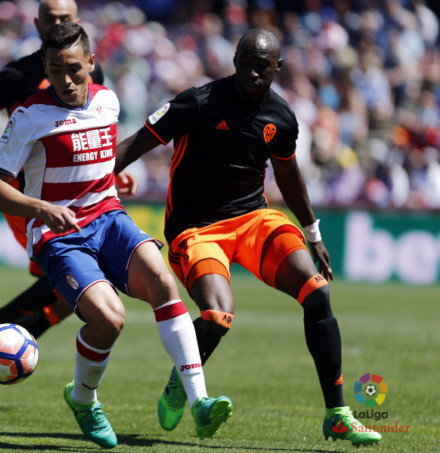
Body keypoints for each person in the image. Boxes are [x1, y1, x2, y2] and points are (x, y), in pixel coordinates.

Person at [114, 28, 382, 447]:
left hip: (254, 219)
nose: (253, 72)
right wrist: (97, 182)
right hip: (197, 229)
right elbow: (135, 142)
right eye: (246, 63)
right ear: (235, 59)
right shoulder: (197, 102)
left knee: (317, 293)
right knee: (219, 316)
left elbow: (289, 177)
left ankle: (337, 414)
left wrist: (313, 233)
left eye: (263, 65)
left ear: (278, 68)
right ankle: (180, 381)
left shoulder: (281, 118)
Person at [0, 21, 232, 449]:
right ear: (45, 66)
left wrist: (112, 179)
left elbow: (96, 161)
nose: (65, 79)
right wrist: (41, 208)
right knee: (109, 319)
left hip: (109, 217)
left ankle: (200, 400)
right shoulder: (29, 117)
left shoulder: (108, 102)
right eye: (55, 69)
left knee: (162, 282)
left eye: (74, 68)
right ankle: (83, 398)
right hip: (60, 237)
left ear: (92, 63)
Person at [0, 0, 136, 411]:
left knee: (71, 294)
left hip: (78, 197)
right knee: (72, 279)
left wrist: (109, 171)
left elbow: (94, 129)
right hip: (29, 197)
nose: (58, 22)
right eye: (50, 18)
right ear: (37, 23)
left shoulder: (89, 70)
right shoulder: (21, 73)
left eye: (65, 17)